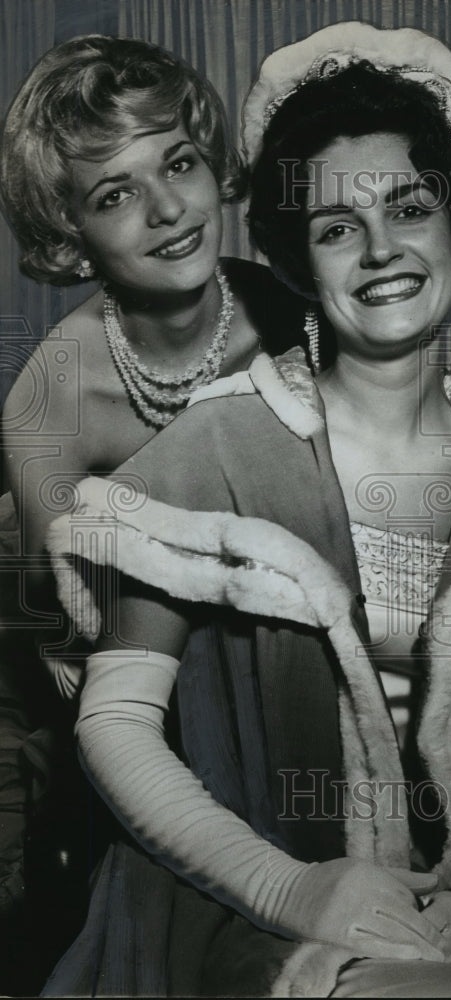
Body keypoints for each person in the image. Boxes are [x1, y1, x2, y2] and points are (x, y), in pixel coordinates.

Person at [42, 24, 451, 998]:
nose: (380, 250)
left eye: (407, 208)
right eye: (338, 227)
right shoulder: (216, 449)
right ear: (301, 255)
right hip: (237, 918)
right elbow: (115, 721)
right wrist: (292, 891)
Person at [0, 34, 301, 987]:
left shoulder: (295, 322)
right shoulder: (52, 396)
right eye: (115, 193)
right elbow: (67, 642)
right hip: (104, 687)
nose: (169, 210)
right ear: (67, 233)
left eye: (178, 164)